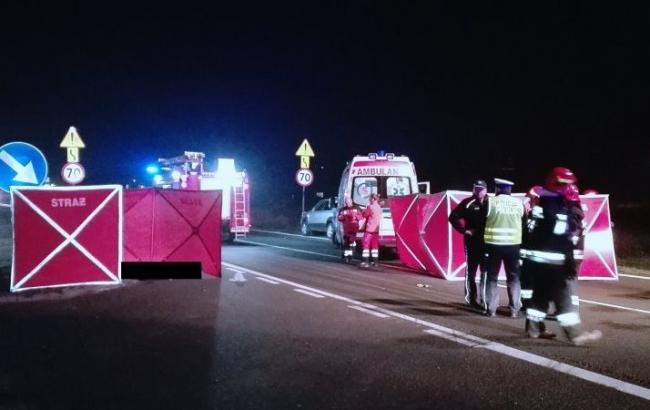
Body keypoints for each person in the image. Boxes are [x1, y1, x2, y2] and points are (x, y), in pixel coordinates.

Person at [523, 167, 602, 345]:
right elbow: (561, 237)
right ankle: (575, 335)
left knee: (540, 296)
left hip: (539, 260)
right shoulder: (556, 206)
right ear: (557, 184)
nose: (569, 188)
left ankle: (533, 329)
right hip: (554, 261)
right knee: (564, 299)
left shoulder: (542, 202)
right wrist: (568, 260)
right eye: (565, 184)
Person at [483, 178, 525, 318]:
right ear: (510, 190)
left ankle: (491, 309)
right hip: (513, 246)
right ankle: (514, 309)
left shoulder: (490, 202)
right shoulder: (519, 203)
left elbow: (482, 222)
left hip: (493, 246)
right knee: (514, 277)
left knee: (492, 277)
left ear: (497, 189)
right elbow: (524, 223)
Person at [448, 179, 489, 309]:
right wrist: (464, 231)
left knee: (486, 272)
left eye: (481, 189)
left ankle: (485, 300)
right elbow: (452, 216)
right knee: (471, 271)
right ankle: (471, 298)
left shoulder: (491, 203)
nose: (478, 191)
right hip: (472, 243)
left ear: (486, 190)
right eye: (476, 189)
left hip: (487, 243)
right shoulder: (467, 203)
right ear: (473, 189)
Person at [337, 196, 363, 263]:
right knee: (346, 243)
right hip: (346, 229)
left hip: (354, 229)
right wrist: (343, 217)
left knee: (351, 243)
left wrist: (360, 226)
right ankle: (348, 257)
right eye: (347, 202)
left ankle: (350, 256)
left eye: (349, 202)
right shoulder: (343, 209)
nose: (348, 203)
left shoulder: (357, 208)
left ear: (351, 202)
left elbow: (361, 218)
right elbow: (339, 218)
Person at [360, 193, 382, 268]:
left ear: (373, 199)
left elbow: (364, 215)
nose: (369, 200)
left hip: (369, 230)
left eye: (370, 198)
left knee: (366, 246)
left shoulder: (370, 207)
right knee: (375, 247)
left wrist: (365, 209)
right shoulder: (379, 207)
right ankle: (375, 262)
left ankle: (365, 262)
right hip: (376, 230)